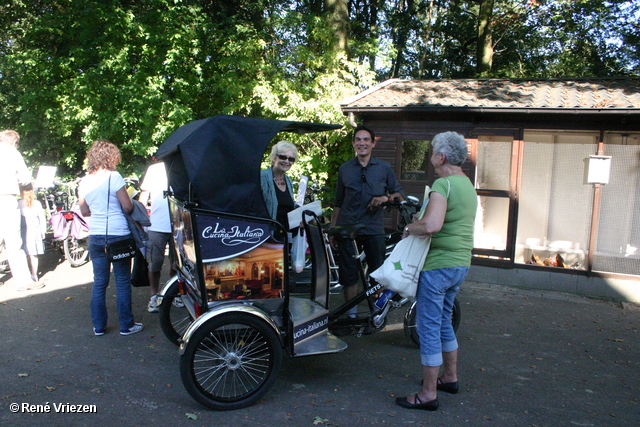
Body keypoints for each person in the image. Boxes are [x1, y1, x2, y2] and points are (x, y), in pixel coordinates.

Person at [395, 131, 477, 411]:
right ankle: (450, 378)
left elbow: (431, 226)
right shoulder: (467, 184)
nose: (430, 156)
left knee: (428, 326)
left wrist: (408, 228)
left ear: (441, 157)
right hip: (460, 264)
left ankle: (428, 394)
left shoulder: (443, 183)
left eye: (432, 151)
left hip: (439, 265)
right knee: (443, 321)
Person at [330, 125, 403, 315]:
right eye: (358, 139)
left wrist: (385, 198)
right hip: (347, 229)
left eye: (366, 140)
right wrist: (333, 230)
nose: (362, 143)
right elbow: (338, 202)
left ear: (372, 143)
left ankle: (375, 313)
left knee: (378, 274)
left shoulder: (384, 168)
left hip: (373, 229)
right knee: (349, 275)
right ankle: (352, 316)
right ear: (354, 143)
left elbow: (399, 195)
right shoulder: (345, 169)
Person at [78, 140, 143, 336]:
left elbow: (84, 210)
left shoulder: (84, 181)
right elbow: (127, 206)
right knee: (122, 281)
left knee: (99, 282)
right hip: (118, 235)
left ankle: (98, 326)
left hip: (96, 235)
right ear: (111, 157)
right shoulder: (114, 177)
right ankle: (126, 325)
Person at [0, 129, 44, 291]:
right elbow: (25, 178)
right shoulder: (13, 153)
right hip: (6, 198)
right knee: (13, 242)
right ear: (14, 141)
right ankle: (23, 281)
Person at [139, 162, 177, 313]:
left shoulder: (182, 165)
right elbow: (144, 195)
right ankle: (154, 296)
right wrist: (141, 220)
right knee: (154, 264)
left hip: (178, 225)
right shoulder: (154, 169)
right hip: (156, 225)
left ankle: (173, 294)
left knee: (177, 265)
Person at [260, 141, 298, 234]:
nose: (287, 161)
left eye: (291, 159)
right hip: (265, 234)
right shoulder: (262, 177)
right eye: (283, 157)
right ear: (274, 158)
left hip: (284, 236)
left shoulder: (288, 181)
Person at [18, 184, 46, 283]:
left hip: (23, 230)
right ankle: (34, 274)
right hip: (35, 230)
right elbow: (42, 218)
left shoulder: (18, 204)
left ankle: (26, 275)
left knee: (23, 253)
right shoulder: (36, 203)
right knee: (33, 254)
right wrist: (43, 231)